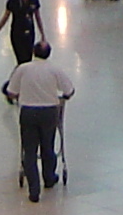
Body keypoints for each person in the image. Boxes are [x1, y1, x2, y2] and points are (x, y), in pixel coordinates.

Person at [7, 43, 74, 202]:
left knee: (29, 151)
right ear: (49, 54)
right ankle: (49, 177)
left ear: (33, 52)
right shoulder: (55, 70)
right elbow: (69, 91)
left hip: (28, 112)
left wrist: (21, 96)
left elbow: (11, 92)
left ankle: (34, 190)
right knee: (47, 146)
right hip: (49, 112)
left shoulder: (23, 69)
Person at [0, 0, 47, 68]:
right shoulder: (13, 0)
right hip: (16, 33)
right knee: (20, 59)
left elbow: (38, 17)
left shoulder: (34, 0)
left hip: (29, 33)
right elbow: (5, 17)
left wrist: (42, 34)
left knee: (28, 59)